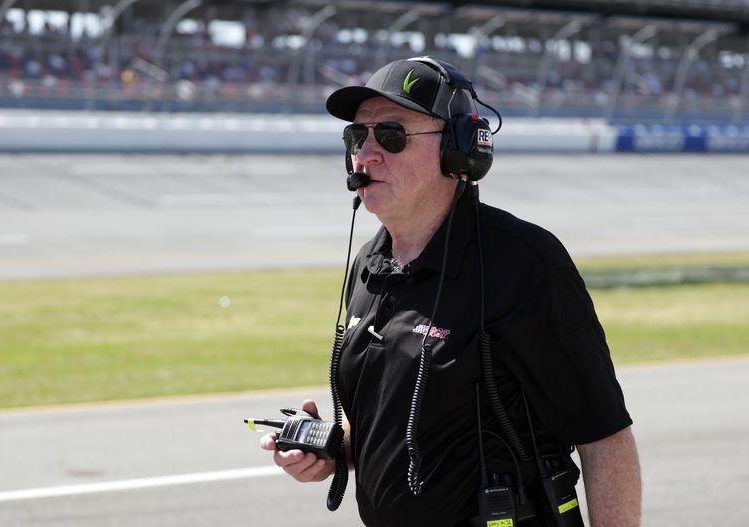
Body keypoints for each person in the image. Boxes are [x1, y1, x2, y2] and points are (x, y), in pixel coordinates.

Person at [259, 56, 641, 527]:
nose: (367, 153)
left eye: (393, 135)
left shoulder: (523, 263)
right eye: (358, 136)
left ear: (457, 151)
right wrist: (329, 451)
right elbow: (397, 429)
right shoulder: (367, 268)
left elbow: (604, 437)